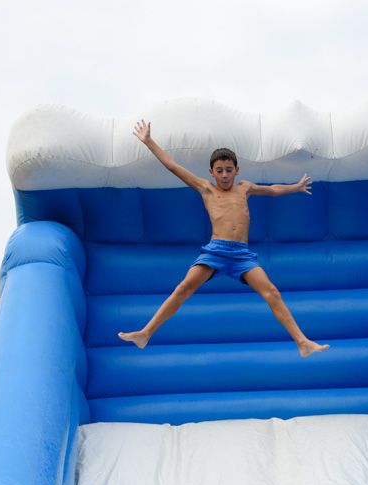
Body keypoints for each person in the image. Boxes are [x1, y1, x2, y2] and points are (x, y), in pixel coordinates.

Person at [117, 120, 329, 357]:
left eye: (229, 170)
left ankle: (302, 342)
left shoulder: (244, 188)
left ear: (237, 170)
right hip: (215, 251)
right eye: (219, 171)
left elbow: (272, 190)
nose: (225, 175)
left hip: (241, 254)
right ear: (211, 172)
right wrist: (148, 142)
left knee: (272, 292)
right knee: (183, 288)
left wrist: (296, 187)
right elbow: (172, 166)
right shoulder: (206, 189)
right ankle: (145, 333)